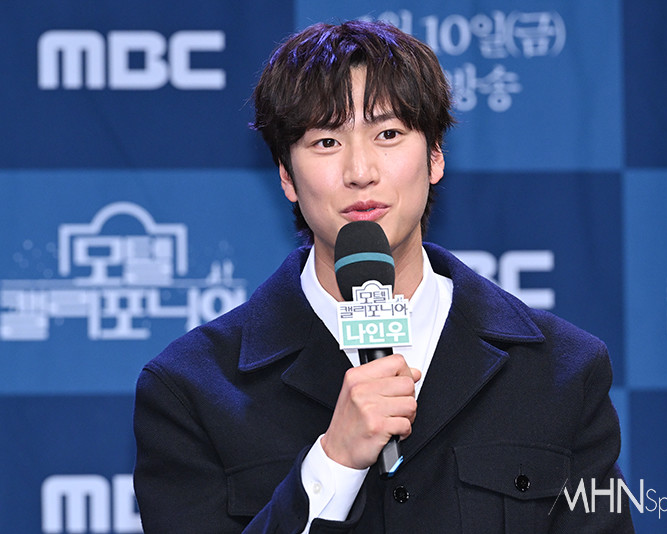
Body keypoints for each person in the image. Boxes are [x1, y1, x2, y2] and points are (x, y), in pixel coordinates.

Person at [133, 20, 635, 533]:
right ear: (287, 176)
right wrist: (333, 464)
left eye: (388, 134)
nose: (360, 171)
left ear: (434, 156)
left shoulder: (560, 370)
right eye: (326, 141)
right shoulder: (193, 389)